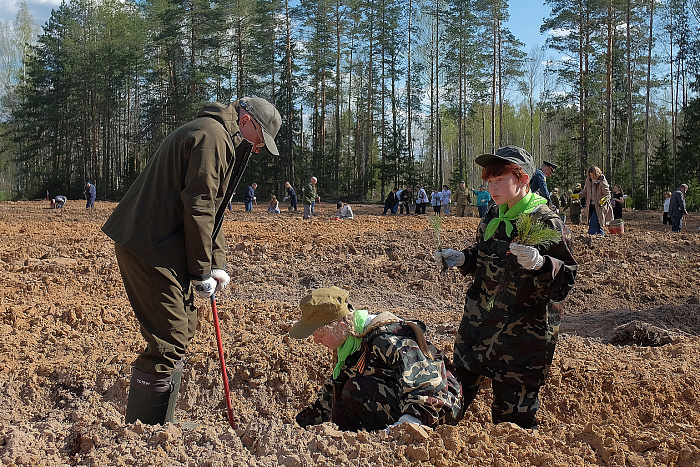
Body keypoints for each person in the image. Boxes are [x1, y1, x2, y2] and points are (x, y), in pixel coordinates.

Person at [101, 97, 281, 425]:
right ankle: (145, 434)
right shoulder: (213, 137)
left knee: (185, 326)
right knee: (170, 338)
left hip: (164, 246)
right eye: (257, 142)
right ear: (247, 122)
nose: (255, 150)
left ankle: (159, 424)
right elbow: (199, 205)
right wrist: (200, 272)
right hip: (150, 247)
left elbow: (214, 209)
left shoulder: (218, 136)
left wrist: (218, 264)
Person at [435, 146, 577, 429]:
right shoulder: (493, 215)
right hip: (479, 326)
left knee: (512, 424)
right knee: (450, 401)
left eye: (500, 180)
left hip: (522, 336)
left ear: (523, 179)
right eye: (489, 181)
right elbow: (485, 254)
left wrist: (541, 264)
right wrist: (464, 257)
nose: (492, 187)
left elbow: (566, 278)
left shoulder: (545, 221)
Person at [290, 287, 463, 431]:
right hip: (409, 398)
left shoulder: (387, 339)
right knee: (345, 393)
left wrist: (406, 426)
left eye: (319, 333)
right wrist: (299, 426)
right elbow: (331, 394)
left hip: (438, 406)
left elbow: (427, 386)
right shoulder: (350, 343)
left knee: (356, 390)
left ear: (340, 326)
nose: (316, 341)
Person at [577, 166, 613, 236]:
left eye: (593, 175)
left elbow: (608, 194)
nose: (592, 177)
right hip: (591, 205)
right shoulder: (588, 181)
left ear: (597, 173)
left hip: (600, 206)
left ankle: (591, 236)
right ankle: (601, 236)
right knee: (598, 223)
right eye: (591, 175)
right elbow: (585, 192)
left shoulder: (602, 181)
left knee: (593, 222)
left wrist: (604, 199)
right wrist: (578, 195)